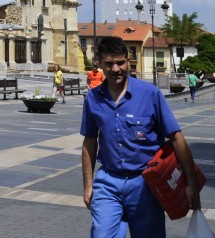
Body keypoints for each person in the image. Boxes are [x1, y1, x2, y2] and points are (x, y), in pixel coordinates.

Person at [81, 37, 201, 237]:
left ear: (128, 61)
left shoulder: (150, 94)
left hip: (145, 183)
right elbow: (89, 142)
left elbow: (176, 138)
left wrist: (191, 182)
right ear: (99, 63)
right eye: (109, 64)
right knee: (102, 234)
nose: (116, 69)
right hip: (108, 181)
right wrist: (88, 185)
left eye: (120, 62)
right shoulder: (93, 98)